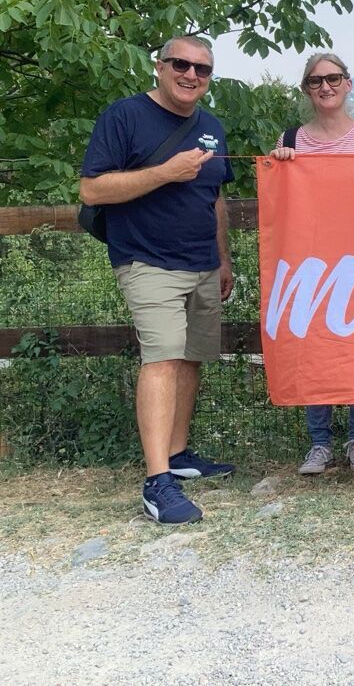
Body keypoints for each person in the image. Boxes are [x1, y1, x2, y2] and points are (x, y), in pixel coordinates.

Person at [79, 36, 236, 525]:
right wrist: (164, 173)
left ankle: (179, 454)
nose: (191, 75)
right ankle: (157, 481)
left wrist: (224, 258)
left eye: (202, 69)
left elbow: (216, 200)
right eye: (181, 64)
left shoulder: (211, 127)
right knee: (163, 359)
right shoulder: (123, 116)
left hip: (203, 263)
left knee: (191, 360)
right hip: (147, 260)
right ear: (160, 66)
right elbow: (92, 187)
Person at [268, 52, 354, 478]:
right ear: (306, 89)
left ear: (348, 83)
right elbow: (282, 201)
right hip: (310, 261)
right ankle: (319, 443)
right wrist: (279, 167)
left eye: (334, 78)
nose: (326, 86)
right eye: (316, 81)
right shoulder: (291, 139)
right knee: (312, 348)